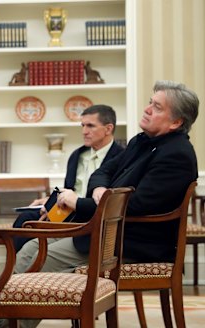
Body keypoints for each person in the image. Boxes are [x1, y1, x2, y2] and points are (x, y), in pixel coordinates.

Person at [11, 80, 199, 328]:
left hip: (131, 244)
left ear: (176, 122)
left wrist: (83, 203)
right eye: (150, 102)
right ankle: (2, 322)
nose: (147, 109)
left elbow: (135, 205)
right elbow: (102, 172)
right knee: (30, 249)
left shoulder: (177, 154)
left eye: (157, 107)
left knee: (40, 260)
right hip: (106, 233)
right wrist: (100, 189)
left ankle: (0, 323)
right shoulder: (140, 142)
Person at [11, 105, 124, 251]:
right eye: (82, 125)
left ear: (108, 129)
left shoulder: (122, 158)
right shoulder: (77, 155)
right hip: (67, 211)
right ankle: (19, 272)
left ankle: (30, 269)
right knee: (27, 218)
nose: (84, 131)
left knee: (35, 230)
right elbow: (69, 189)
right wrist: (50, 202)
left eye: (90, 126)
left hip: (91, 214)